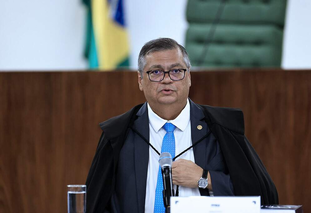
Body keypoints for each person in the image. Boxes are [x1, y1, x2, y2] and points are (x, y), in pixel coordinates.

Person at [86, 38, 278, 213]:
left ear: (189, 77)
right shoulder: (118, 134)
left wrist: (206, 179)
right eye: (156, 72)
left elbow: (264, 198)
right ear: (140, 81)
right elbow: (94, 204)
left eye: (176, 71)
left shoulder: (221, 128)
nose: (167, 79)